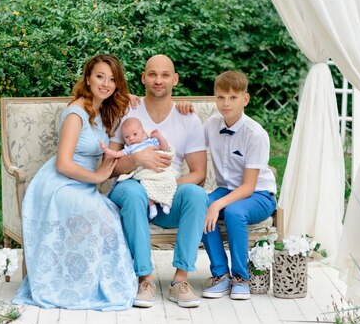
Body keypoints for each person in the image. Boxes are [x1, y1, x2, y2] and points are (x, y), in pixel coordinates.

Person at [12, 54, 137, 311]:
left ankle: (92, 283)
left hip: (82, 185)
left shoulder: (105, 111)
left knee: (109, 215)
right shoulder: (76, 113)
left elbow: (113, 150)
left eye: (112, 79)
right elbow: (63, 163)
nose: (105, 83)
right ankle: (72, 286)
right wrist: (97, 177)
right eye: (100, 76)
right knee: (102, 216)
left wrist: (133, 101)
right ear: (88, 79)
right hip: (59, 184)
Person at [108, 54, 208, 309]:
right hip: (132, 189)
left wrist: (161, 189)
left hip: (166, 195)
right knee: (133, 193)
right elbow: (111, 168)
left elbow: (198, 173)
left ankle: (180, 280)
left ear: (175, 79)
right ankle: (145, 278)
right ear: (143, 78)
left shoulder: (188, 118)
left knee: (197, 195)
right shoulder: (127, 110)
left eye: (165, 75)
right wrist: (138, 161)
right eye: (152, 74)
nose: (158, 80)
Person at [201, 71, 277, 300]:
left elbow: (248, 186)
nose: (225, 103)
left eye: (233, 98)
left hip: (258, 194)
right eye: (221, 97)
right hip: (228, 190)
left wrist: (218, 205)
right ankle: (221, 275)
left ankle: (241, 279)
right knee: (201, 203)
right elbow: (187, 142)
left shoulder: (255, 134)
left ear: (245, 99)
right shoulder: (211, 124)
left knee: (233, 211)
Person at [100, 117, 177, 219]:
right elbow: (117, 154)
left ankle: (167, 203)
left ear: (142, 133)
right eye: (127, 137)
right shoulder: (129, 148)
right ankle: (152, 206)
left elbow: (164, 147)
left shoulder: (150, 141)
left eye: (134, 134)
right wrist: (107, 150)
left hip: (157, 170)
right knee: (145, 187)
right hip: (144, 173)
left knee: (168, 181)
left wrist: (159, 136)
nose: (131, 138)